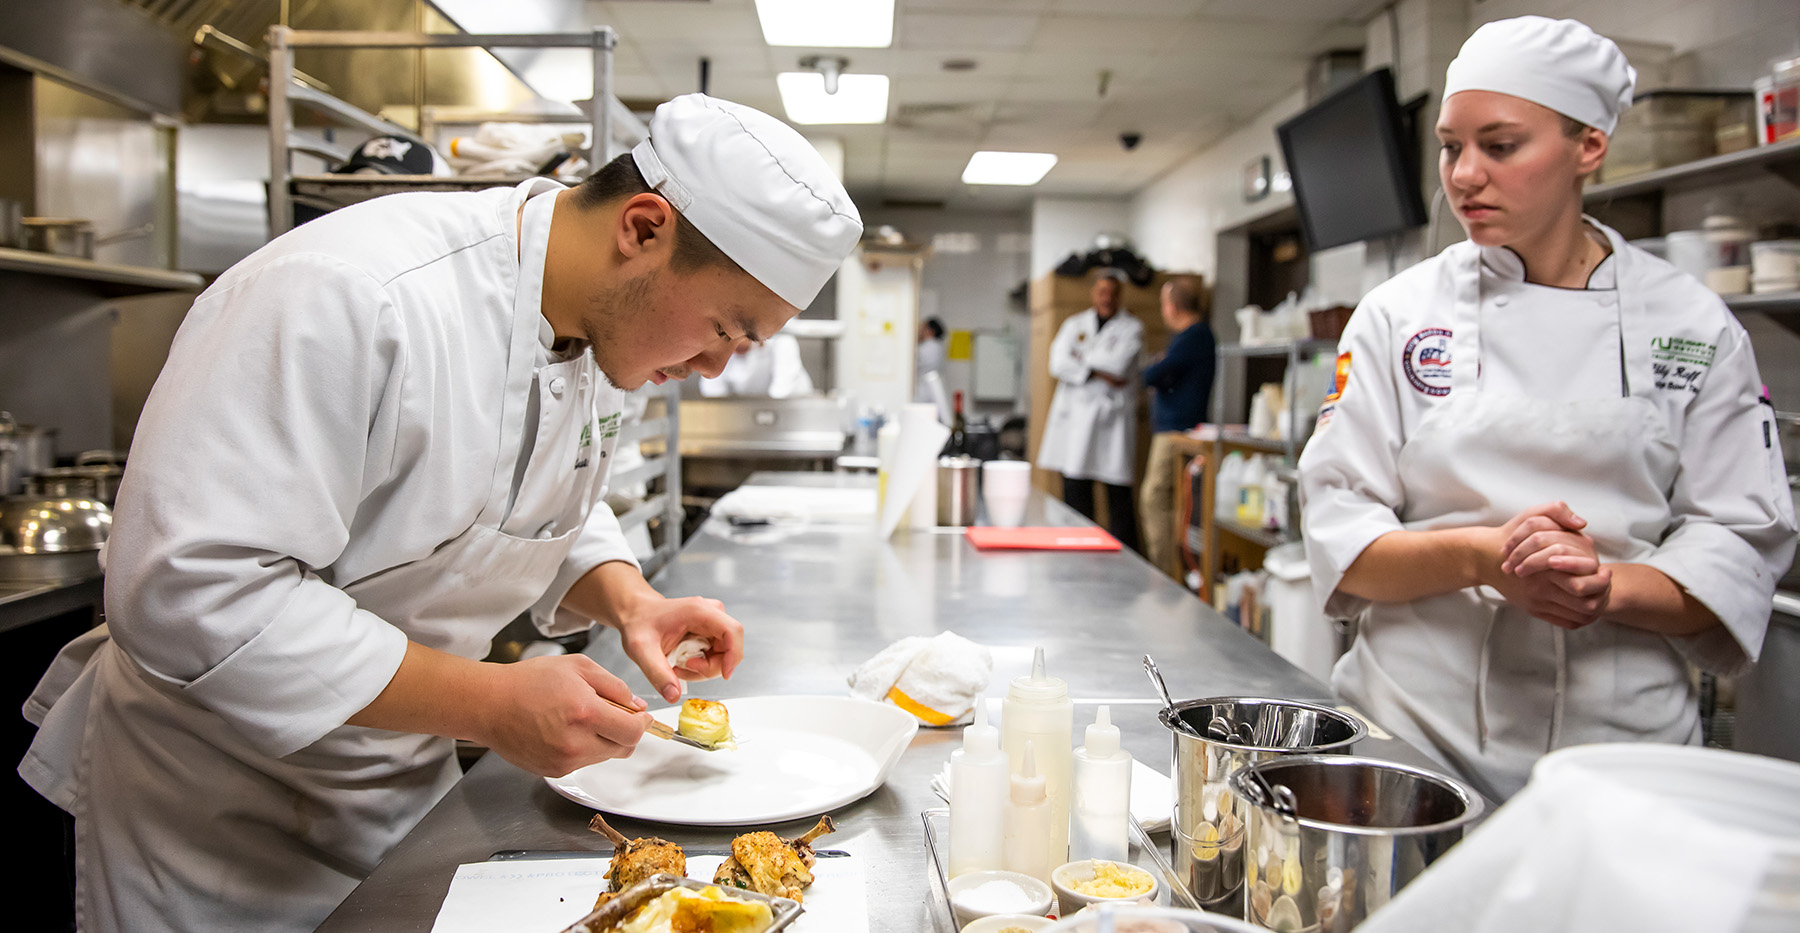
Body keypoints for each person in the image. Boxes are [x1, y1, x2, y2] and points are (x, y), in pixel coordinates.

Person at [18, 93, 861, 931]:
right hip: (212, 809)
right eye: (726, 329)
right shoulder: (351, 293)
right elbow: (192, 592)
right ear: (643, 228)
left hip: (400, 793)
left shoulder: (601, 326)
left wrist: (628, 598)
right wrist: (487, 702)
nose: (716, 367)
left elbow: (524, 500)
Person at [1297, 17, 1795, 802]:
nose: (1464, 175)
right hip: (1412, 741)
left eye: (1500, 146)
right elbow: (1339, 531)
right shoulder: (1399, 315)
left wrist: (1605, 586)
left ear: (1588, 146)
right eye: (1451, 147)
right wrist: (1481, 557)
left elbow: (1739, 543)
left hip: (1626, 760)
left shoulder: (1693, 325)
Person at [1038, 270, 1143, 550]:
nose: (1107, 298)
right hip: (1076, 420)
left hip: (1110, 421)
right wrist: (1097, 369)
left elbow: (1118, 366)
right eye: (1101, 292)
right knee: (1076, 489)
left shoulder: (1132, 328)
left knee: (1118, 496)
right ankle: (1079, 549)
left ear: (1120, 295)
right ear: (1093, 294)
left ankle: (1125, 557)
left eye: (1112, 293)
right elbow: (1057, 363)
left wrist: (1081, 359)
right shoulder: (1075, 325)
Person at [1139, 275, 1216, 578]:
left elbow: (1154, 374)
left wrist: (1156, 368)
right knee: (1172, 503)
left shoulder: (1195, 336)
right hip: (1173, 428)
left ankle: (1164, 574)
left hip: (1177, 431)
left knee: (1154, 498)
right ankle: (1171, 571)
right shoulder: (1187, 338)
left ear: (1172, 306)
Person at [697, 331, 815, 397]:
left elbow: (782, 392)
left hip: (794, 410)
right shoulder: (720, 347)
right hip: (749, 414)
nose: (734, 346)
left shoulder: (782, 341)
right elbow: (712, 393)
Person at [915, 316, 946, 403]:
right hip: (929, 392)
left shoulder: (928, 348)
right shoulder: (936, 347)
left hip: (924, 393)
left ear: (930, 331)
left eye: (922, 328)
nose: (919, 331)